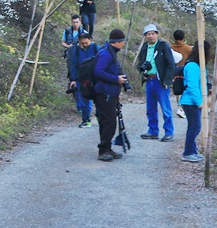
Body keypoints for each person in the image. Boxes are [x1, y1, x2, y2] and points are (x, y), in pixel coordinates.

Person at [136, 23, 177, 142]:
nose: (150, 36)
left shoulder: (163, 46)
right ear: (145, 36)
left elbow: (171, 64)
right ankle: (153, 130)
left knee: (165, 108)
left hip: (160, 81)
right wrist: (142, 71)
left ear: (157, 34)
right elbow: (140, 63)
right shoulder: (144, 47)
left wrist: (167, 80)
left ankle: (169, 132)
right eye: (148, 34)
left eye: (153, 34)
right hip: (149, 79)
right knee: (150, 108)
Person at [93, 28, 129, 161]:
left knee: (109, 122)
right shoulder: (106, 54)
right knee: (108, 122)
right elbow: (98, 72)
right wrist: (116, 79)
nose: (123, 44)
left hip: (110, 92)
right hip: (104, 93)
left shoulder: (110, 52)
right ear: (118, 42)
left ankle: (107, 148)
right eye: (122, 42)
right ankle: (103, 150)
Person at [180, 41, 211, 162]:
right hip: (190, 102)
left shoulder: (198, 66)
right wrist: (199, 102)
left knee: (194, 126)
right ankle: (187, 152)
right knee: (195, 127)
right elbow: (192, 85)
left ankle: (192, 150)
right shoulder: (193, 66)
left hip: (192, 101)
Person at [67, 31, 99, 128]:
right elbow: (73, 65)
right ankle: (86, 120)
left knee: (99, 100)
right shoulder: (76, 51)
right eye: (82, 43)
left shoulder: (96, 48)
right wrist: (73, 79)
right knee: (84, 100)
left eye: (86, 43)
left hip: (95, 78)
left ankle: (100, 118)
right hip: (82, 79)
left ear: (90, 40)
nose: (84, 45)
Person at [171, 30, 193, 119]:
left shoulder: (170, 47)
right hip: (185, 71)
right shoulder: (188, 48)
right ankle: (182, 108)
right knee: (185, 89)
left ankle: (180, 107)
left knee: (177, 89)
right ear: (183, 38)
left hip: (174, 71)